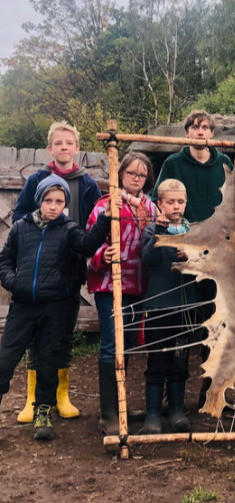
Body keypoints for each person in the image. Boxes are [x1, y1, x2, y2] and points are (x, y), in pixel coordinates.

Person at [0, 175, 111, 441]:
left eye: (59, 201)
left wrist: (106, 219)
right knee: (5, 361)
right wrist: (13, 282)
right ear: (39, 201)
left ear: (65, 205)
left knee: (49, 362)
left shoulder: (69, 229)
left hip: (55, 308)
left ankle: (43, 414)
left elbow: (88, 244)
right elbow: (5, 259)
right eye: (48, 200)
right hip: (23, 306)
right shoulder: (20, 228)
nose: (53, 206)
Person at [12, 121, 102, 423]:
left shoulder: (87, 182)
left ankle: (61, 395)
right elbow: (20, 215)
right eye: (58, 143)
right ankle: (32, 398)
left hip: (69, 268)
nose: (64, 147)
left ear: (76, 148)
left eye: (69, 143)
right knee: (35, 337)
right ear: (50, 148)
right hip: (40, 267)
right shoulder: (38, 178)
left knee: (61, 334)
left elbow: (94, 221)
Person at [151, 110, 233, 409]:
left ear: (212, 133)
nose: (201, 132)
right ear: (187, 133)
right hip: (185, 251)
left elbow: (232, 205)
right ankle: (171, 395)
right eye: (196, 127)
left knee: (216, 322)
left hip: (217, 254)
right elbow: (156, 198)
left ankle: (210, 389)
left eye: (206, 128)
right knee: (185, 323)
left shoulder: (223, 163)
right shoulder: (174, 163)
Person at [87, 151, 157, 435]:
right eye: (131, 173)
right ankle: (108, 414)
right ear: (121, 174)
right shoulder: (106, 206)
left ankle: (121, 404)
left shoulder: (151, 208)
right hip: (110, 286)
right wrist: (104, 255)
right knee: (110, 345)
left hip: (138, 285)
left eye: (141, 175)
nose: (137, 179)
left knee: (126, 344)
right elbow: (90, 240)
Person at [141, 179, 196, 434]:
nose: (176, 206)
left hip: (184, 307)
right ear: (159, 204)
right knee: (157, 360)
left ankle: (176, 410)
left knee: (179, 360)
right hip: (158, 306)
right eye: (170, 202)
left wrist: (193, 257)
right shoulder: (152, 229)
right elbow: (148, 259)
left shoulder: (192, 232)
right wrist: (159, 237)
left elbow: (204, 267)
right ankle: (152, 413)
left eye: (180, 202)